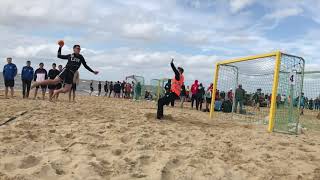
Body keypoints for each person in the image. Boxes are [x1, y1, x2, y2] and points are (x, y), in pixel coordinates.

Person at [31, 44, 98, 98]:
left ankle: (56, 91)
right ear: (74, 49)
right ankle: (37, 83)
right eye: (77, 48)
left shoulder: (81, 57)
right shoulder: (70, 55)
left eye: (79, 49)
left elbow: (85, 66)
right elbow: (59, 56)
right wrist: (60, 47)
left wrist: (93, 71)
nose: (79, 50)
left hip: (72, 73)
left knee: (66, 90)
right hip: (66, 70)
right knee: (54, 82)